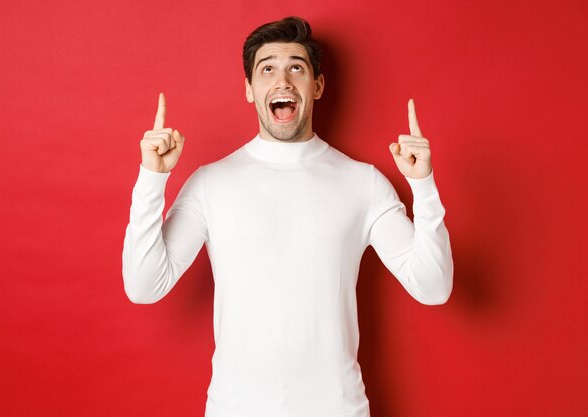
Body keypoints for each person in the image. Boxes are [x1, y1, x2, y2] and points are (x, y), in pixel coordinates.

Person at [122, 16, 453, 417]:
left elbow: (433, 288)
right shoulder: (210, 183)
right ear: (249, 89)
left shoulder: (362, 183)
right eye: (267, 70)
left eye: (296, 67)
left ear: (316, 86)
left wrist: (424, 186)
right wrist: (151, 179)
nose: (283, 81)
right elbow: (144, 286)